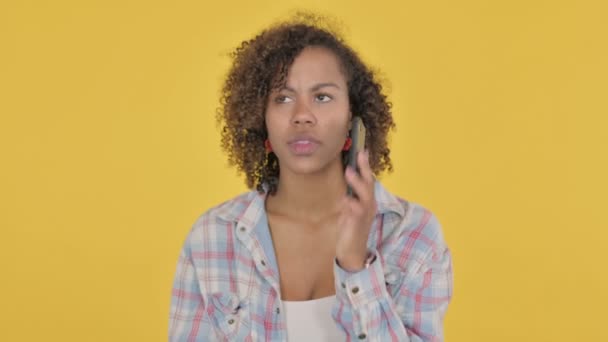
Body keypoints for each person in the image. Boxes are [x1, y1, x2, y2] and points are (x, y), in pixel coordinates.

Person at [169, 13, 453, 342]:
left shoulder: (413, 236)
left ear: (353, 118)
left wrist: (355, 265)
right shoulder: (212, 238)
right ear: (262, 120)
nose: (302, 115)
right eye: (283, 98)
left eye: (322, 97)